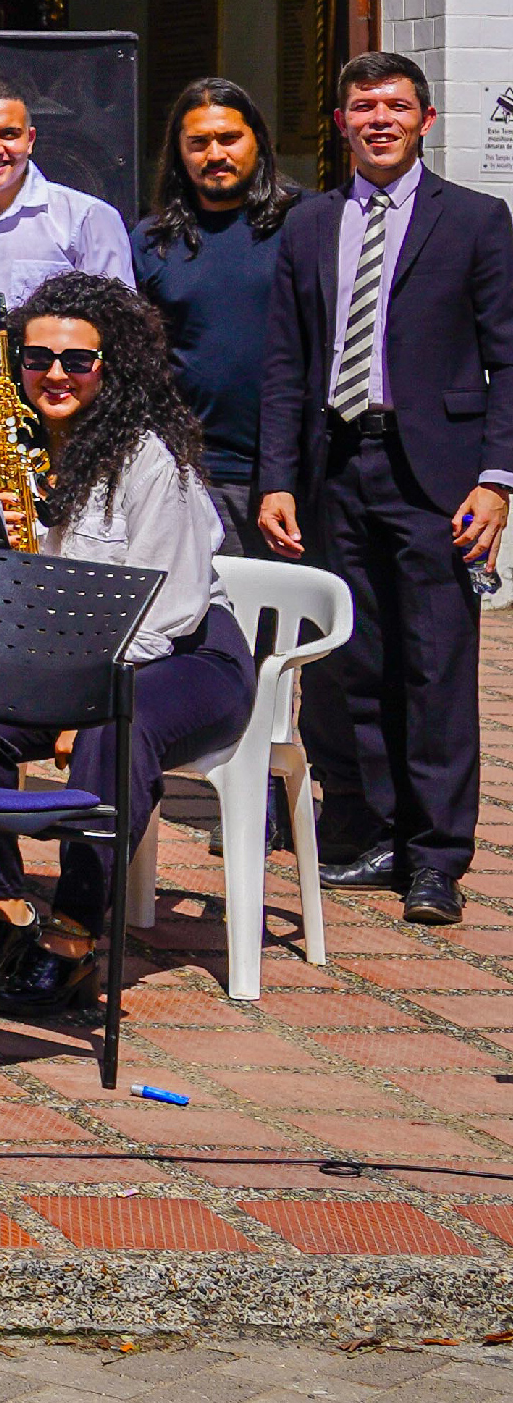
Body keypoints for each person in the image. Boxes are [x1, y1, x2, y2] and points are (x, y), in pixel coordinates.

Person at [0, 274, 255, 1013]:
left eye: (78, 360)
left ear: (113, 369)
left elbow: (170, 612)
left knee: (119, 722)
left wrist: (75, 701)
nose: (55, 373)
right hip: (55, 656)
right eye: (37, 357)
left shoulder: (152, 460)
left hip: (183, 656)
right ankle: (4, 912)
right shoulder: (0, 453)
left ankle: (74, 937)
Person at [258, 52, 513, 928]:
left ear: (425, 120)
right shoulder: (307, 225)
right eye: (362, 107)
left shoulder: (477, 221)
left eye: (396, 107)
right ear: (340, 123)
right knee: (345, 664)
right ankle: (366, 829)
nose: (379, 121)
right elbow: (287, 363)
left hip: (436, 476)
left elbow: (507, 357)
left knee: (436, 666)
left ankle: (436, 857)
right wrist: (277, 482)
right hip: (335, 467)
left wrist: (497, 479)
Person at [135, 79, 304, 557]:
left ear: (258, 142)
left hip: (293, 473)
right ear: (179, 153)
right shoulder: (151, 240)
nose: (215, 154)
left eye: (229, 138)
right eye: (199, 142)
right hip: (193, 472)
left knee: (288, 622)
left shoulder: (306, 223)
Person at [0, 79, 135, 422]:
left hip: (53, 425)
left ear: (30, 140)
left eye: (9, 134)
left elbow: (120, 335)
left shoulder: (86, 219)